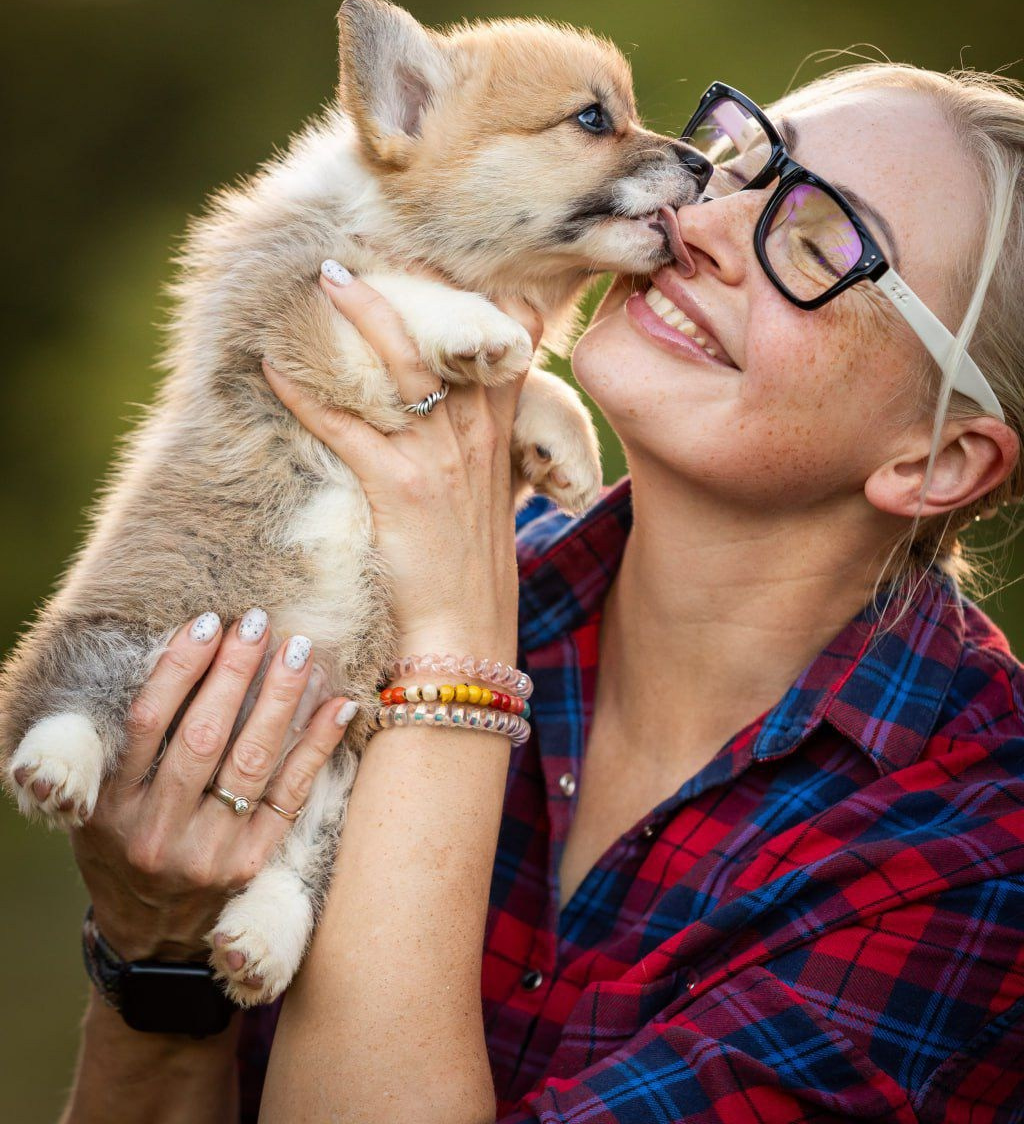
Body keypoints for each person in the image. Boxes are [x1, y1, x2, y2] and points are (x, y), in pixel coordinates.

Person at [56, 64, 1024, 1123]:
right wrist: (160, 959)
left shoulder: (975, 866)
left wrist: (455, 660)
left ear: (935, 463)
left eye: (816, 244)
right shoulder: (411, 562)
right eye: (742, 164)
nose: (696, 219)